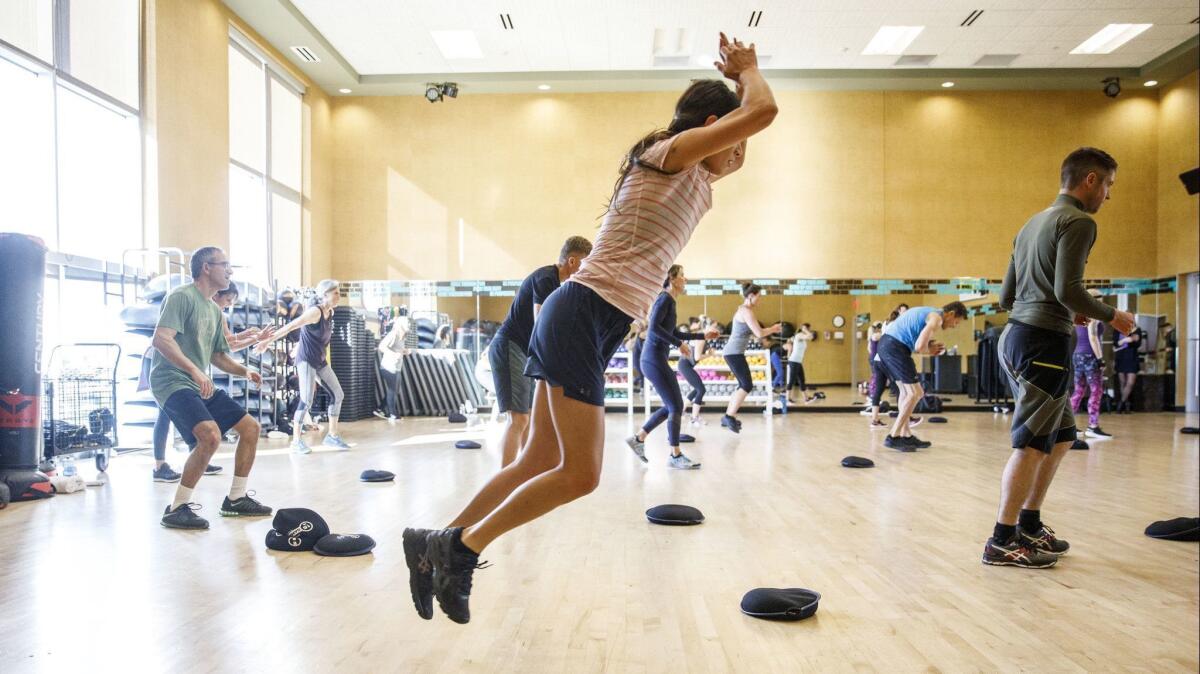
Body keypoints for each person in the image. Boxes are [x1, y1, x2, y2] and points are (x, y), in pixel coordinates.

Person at [403, 33, 776, 624]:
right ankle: (459, 549)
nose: (739, 152)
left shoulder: (697, 179)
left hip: (587, 317)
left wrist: (740, 91)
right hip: (583, 310)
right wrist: (749, 72)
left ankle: (432, 547)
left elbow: (752, 121)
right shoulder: (672, 152)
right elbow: (763, 111)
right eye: (731, 136)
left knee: (536, 459)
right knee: (580, 474)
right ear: (709, 124)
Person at [984, 147, 1136, 569]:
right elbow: (1068, 290)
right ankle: (1002, 539)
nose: (1107, 195)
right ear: (1090, 179)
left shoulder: (1031, 224)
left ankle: (1029, 525)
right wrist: (1113, 315)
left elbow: (1006, 297)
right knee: (1032, 443)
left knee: (1063, 435)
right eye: (1107, 185)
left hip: (1017, 337)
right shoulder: (1079, 221)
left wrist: (1069, 306)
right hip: (1042, 344)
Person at [152, 246, 272, 529]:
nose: (230, 271)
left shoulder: (214, 311)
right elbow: (161, 339)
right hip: (171, 380)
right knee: (210, 436)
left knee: (250, 428)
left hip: (195, 383)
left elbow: (218, 355)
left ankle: (236, 499)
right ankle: (177, 507)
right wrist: (194, 369)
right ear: (206, 267)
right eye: (225, 265)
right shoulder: (181, 297)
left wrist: (245, 371)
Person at [489, 236, 593, 467]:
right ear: (573, 261)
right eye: (587, 263)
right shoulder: (546, 278)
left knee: (527, 420)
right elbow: (541, 324)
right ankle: (505, 480)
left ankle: (525, 473)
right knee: (518, 418)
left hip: (526, 352)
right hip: (510, 346)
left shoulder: (562, 286)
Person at [626, 265, 720, 469]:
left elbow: (673, 332)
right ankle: (674, 455)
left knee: (672, 405)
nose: (685, 279)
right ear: (672, 278)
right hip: (653, 359)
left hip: (654, 359)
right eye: (682, 276)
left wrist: (702, 336)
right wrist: (679, 344)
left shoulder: (669, 301)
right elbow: (654, 328)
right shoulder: (665, 298)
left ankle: (639, 438)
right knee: (676, 405)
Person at [255, 279, 348, 453]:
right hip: (306, 360)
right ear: (324, 295)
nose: (339, 296)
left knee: (338, 394)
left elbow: (312, 335)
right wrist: (267, 342)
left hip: (320, 360)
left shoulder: (331, 313)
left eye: (338, 293)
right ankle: (296, 442)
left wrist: (299, 343)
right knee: (306, 400)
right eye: (335, 293)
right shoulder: (315, 312)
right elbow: (291, 326)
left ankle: (332, 436)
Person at [875, 301, 969, 450]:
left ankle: (906, 435)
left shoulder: (929, 312)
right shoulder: (937, 318)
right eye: (956, 322)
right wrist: (929, 350)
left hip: (888, 345)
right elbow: (919, 347)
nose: (953, 326)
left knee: (906, 392)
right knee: (916, 393)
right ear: (951, 314)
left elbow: (915, 340)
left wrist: (928, 347)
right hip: (895, 347)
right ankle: (893, 436)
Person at [721, 283, 782, 433]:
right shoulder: (746, 311)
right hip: (733, 353)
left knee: (743, 384)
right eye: (758, 296)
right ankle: (729, 416)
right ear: (751, 296)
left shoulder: (745, 310)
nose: (760, 300)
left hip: (734, 353)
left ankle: (728, 416)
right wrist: (773, 329)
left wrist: (770, 329)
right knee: (746, 385)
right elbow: (759, 333)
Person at [1070, 295, 1110, 437]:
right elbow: (1093, 337)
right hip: (1090, 356)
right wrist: (1100, 359)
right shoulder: (1093, 315)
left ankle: (1068, 426)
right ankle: (1093, 426)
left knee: (1078, 391)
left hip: (1077, 355)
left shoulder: (1079, 315)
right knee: (1096, 390)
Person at [677, 318, 710, 426]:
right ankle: (694, 418)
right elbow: (697, 357)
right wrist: (710, 355)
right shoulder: (701, 339)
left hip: (684, 365)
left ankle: (681, 410)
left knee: (697, 389)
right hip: (685, 365)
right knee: (701, 389)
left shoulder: (698, 336)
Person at [378, 316, 411, 421]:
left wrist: (405, 351)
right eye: (407, 323)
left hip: (396, 367)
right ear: (401, 324)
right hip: (388, 367)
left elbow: (398, 349)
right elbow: (381, 346)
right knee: (393, 390)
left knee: (395, 390)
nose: (409, 325)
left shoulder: (403, 336)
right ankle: (393, 414)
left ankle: (380, 409)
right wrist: (393, 354)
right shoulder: (393, 334)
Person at [1113, 326, 1142, 413]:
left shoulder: (1137, 329)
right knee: (1122, 382)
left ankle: (1121, 404)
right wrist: (1125, 340)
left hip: (1132, 357)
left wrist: (1126, 340)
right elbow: (1115, 343)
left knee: (1130, 383)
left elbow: (1137, 343)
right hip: (1121, 357)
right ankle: (1126, 406)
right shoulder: (1117, 329)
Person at [785, 323, 816, 404]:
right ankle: (787, 399)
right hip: (794, 361)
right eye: (808, 329)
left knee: (802, 380)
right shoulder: (799, 335)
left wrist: (790, 341)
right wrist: (805, 330)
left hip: (798, 361)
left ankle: (806, 398)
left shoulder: (800, 337)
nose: (809, 330)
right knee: (791, 380)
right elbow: (811, 336)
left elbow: (790, 339)